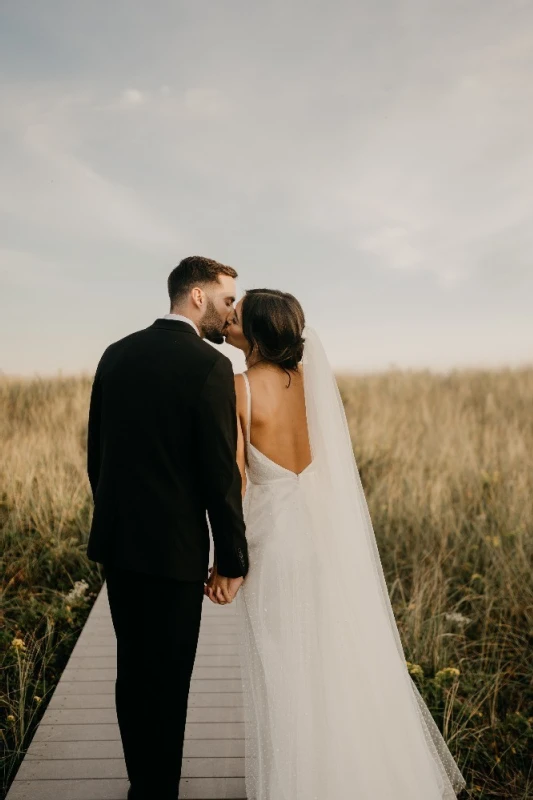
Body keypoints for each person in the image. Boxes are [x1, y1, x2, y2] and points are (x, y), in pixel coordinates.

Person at [207, 288, 466, 799]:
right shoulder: (313, 384)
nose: (228, 321)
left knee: (282, 668)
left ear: (255, 334)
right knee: (330, 659)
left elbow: (235, 482)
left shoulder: (239, 387)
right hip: (320, 538)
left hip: (273, 542)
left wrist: (226, 562)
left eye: (236, 317)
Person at [86, 256, 249, 800]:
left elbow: (98, 457)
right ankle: (160, 791)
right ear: (197, 296)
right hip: (177, 552)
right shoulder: (210, 366)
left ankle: (143, 786)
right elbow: (219, 476)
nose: (230, 316)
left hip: (120, 544)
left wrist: (115, 520)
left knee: (132, 671)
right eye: (227, 301)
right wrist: (231, 560)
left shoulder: (116, 354)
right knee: (170, 678)